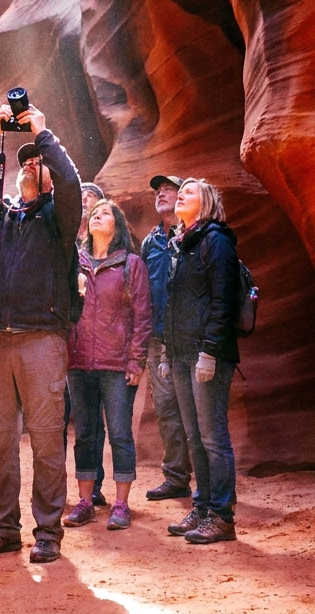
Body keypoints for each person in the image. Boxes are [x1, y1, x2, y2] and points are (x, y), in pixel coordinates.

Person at [0, 100, 82, 564]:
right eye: (23, 160)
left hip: (42, 339)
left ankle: (48, 534)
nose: (29, 165)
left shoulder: (60, 220)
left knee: (47, 440)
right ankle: (4, 528)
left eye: (36, 162)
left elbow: (71, 184)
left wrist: (45, 136)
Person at [62, 199, 151, 531]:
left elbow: (143, 317)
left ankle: (121, 504)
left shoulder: (131, 265)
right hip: (79, 361)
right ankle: (85, 502)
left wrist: (136, 360)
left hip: (116, 365)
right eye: (94, 212)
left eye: (106, 213)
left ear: (119, 226)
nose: (97, 216)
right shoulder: (76, 263)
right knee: (85, 434)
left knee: (119, 434)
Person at [161, 178, 241, 544]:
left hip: (205, 354)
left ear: (206, 202)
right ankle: (203, 506)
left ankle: (222, 516)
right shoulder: (181, 245)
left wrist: (209, 352)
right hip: (180, 354)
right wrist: (166, 351)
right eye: (182, 192)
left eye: (189, 192)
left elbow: (223, 302)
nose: (181, 195)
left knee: (212, 438)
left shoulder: (216, 241)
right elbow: (175, 305)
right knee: (194, 437)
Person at [141, 175, 193, 501]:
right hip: (157, 340)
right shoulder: (150, 242)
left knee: (194, 411)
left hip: (186, 340)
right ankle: (176, 477)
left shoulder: (193, 236)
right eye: (158, 191)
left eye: (168, 189)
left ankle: (209, 484)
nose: (161, 193)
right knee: (166, 411)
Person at [70, 182, 108, 506]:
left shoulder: (103, 248)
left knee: (91, 422)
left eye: (91, 198)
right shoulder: (64, 236)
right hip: (64, 346)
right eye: (80, 197)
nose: (84, 202)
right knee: (58, 422)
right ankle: (56, 485)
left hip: (92, 350)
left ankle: (93, 485)